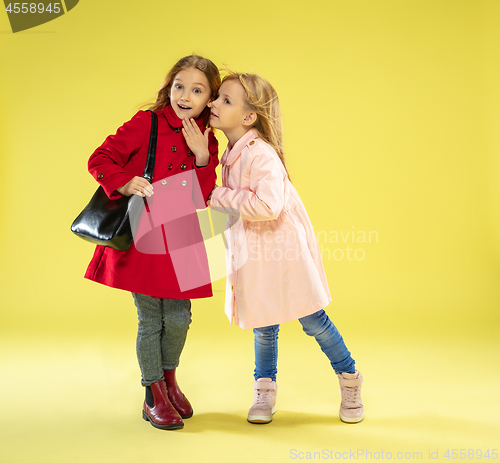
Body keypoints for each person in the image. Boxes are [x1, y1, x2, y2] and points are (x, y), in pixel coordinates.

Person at [207, 72, 364, 424]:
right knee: (264, 324)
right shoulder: (231, 152)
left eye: (225, 100)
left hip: (282, 253)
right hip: (255, 254)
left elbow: (268, 206)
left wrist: (217, 196)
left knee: (313, 320)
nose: (214, 104)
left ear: (249, 117)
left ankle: (350, 379)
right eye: (216, 97)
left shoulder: (260, 154)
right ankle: (264, 391)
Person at [84, 54, 220, 430]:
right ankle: (152, 393)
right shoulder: (147, 123)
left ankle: (168, 380)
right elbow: (101, 157)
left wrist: (203, 156)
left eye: (197, 89)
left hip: (182, 236)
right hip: (143, 231)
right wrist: (125, 182)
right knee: (151, 319)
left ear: (210, 97)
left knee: (179, 317)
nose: (185, 96)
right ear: (169, 88)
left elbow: (202, 196)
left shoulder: (209, 135)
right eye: (180, 86)